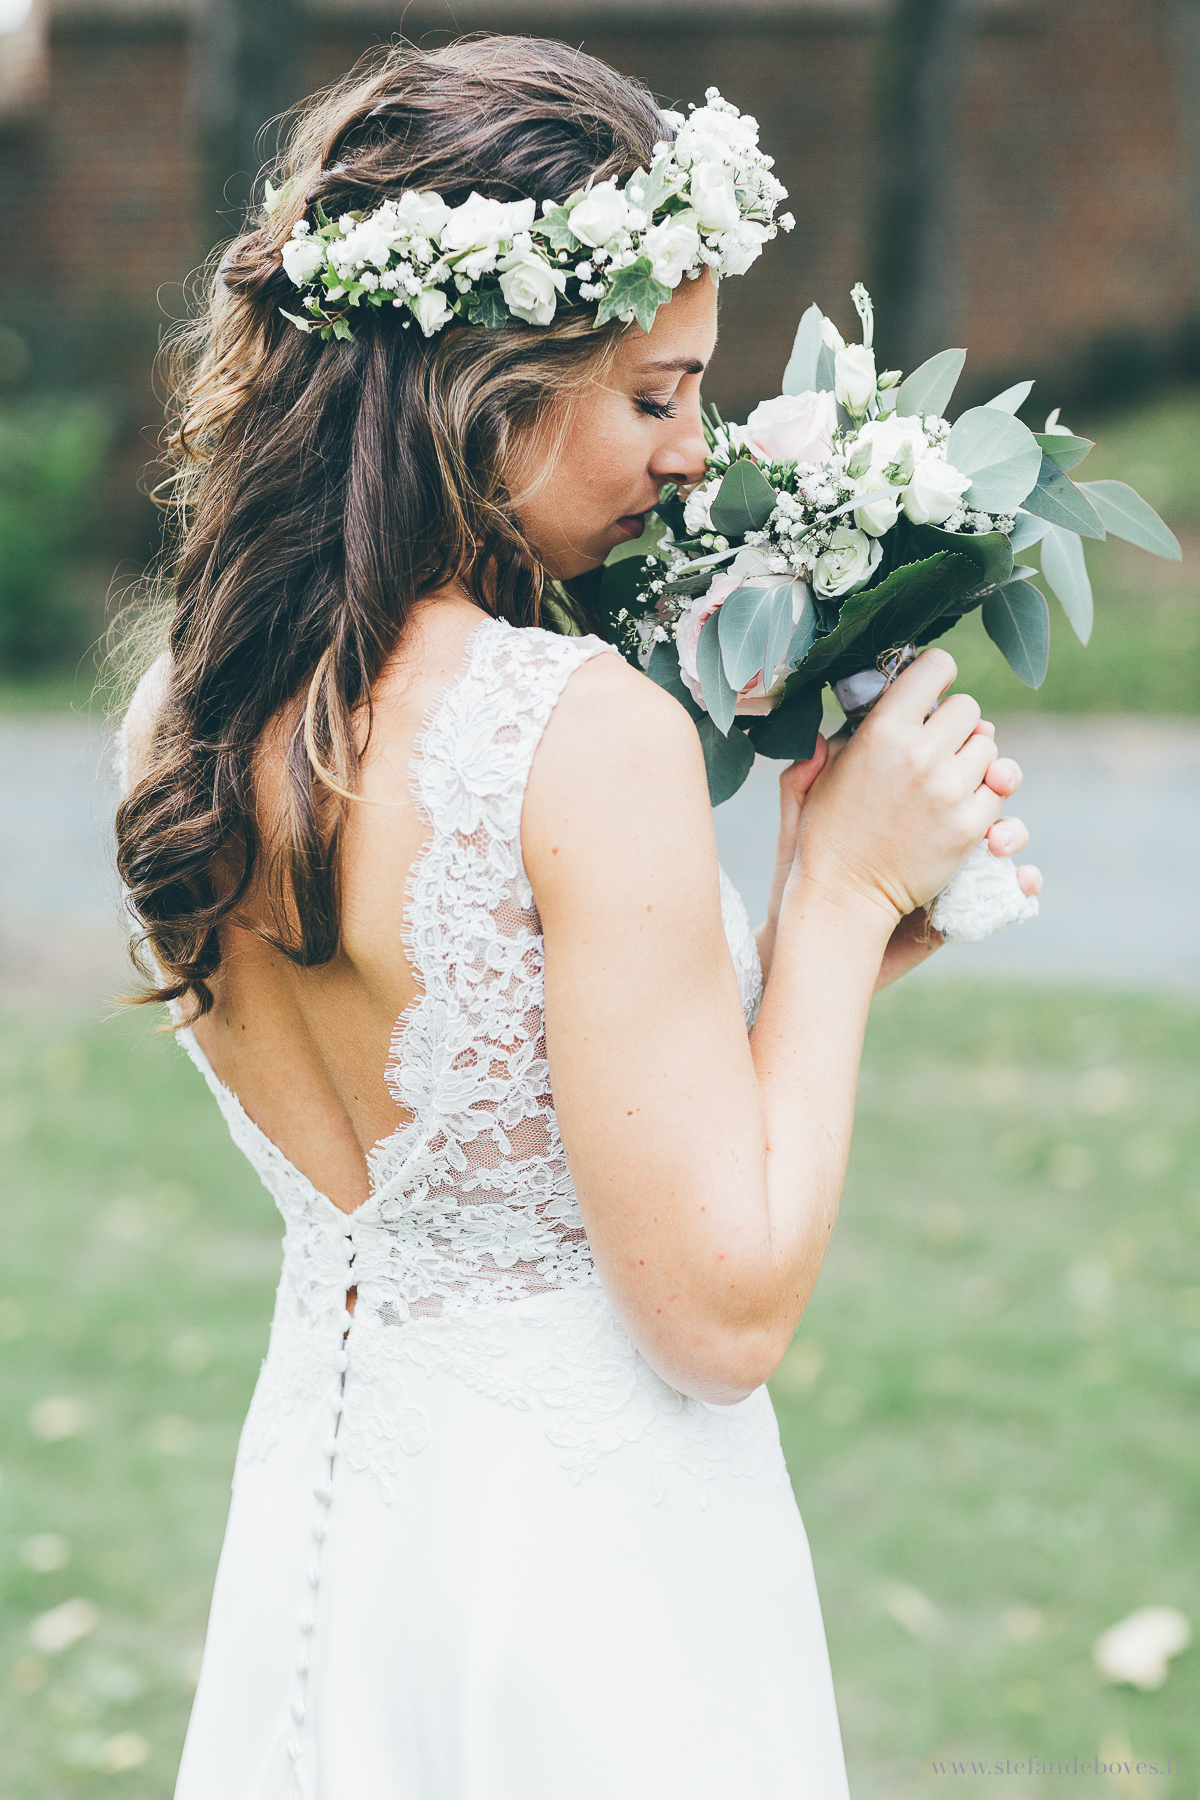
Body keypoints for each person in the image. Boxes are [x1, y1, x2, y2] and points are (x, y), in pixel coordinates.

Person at [114, 35, 1039, 1800]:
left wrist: (813, 976)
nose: (694, 456)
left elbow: (515, 1141)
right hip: (585, 1568)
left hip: (338, 1523)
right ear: (485, 382)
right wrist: (837, 894)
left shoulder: (189, 712)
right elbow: (718, 1315)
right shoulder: (579, 732)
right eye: (653, 396)